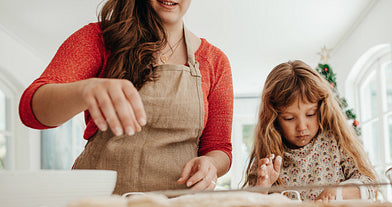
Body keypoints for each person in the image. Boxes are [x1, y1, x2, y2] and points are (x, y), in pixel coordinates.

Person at [18, 0, 233, 195]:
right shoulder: (99, 39)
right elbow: (31, 111)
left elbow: (220, 148)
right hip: (98, 204)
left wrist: (210, 164)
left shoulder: (215, 62)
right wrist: (84, 91)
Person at [244, 60, 377, 201]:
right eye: (289, 118)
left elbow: (370, 185)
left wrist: (337, 192)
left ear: (322, 108)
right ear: (274, 119)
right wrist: (263, 186)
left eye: (310, 114)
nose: (302, 127)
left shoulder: (336, 141)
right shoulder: (267, 157)